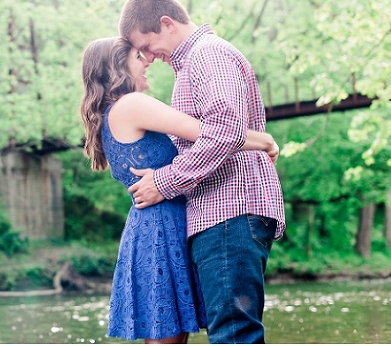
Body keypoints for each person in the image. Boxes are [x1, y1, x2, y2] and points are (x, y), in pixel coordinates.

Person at [80, 37, 280, 344]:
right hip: (162, 227)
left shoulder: (111, 115)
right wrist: (264, 141)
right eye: (137, 56)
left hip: (153, 225)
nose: (147, 60)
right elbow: (211, 133)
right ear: (118, 68)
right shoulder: (131, 104)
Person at [118, 0, 286, 344]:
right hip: (224, 214)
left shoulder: (207, 56)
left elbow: (224, 131)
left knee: (234, 334)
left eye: (146, 44)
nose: (148, 56)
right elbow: (225, 129)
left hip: (230, 210)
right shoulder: (197, 61)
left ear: (166, 24)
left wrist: (163, 183)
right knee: (231, 330)